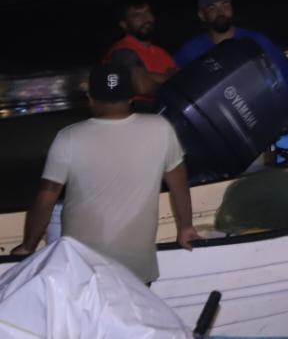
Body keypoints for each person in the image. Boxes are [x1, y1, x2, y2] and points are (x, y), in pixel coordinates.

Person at [11, 65, 198, 284]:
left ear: (90, 98)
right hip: (135, 270)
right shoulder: (161, 128)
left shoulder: (69, 137)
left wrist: (28, 246)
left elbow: (46, 198)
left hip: (81, 269)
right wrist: (185, 227)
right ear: (130, 97)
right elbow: (179, 184)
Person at [174, 0, 288, 124]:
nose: (221, 12)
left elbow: (285, 71)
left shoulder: (255, 41)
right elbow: (174, 82)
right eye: (212, 7)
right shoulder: (191, 50)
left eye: (225, 4)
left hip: (258, 115)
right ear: (202, 15)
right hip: (217, 122)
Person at [104, 0, 178, 104]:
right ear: (124, 24)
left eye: (147, 12)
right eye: (137, 15)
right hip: (135, 114)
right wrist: (169, 80)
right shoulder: (122, 51)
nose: (146, 18)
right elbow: (143, 87)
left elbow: (181, 81)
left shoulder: (161, 52)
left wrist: (152, 77)